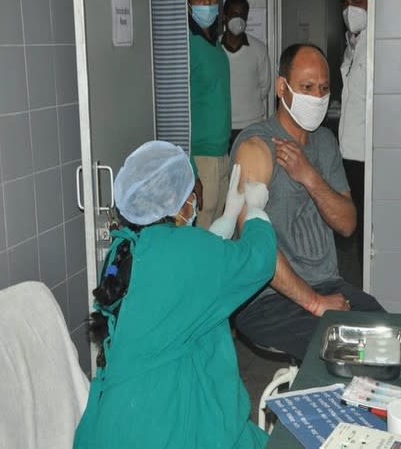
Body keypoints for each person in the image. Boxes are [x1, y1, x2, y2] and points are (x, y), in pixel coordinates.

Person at [73, 141, 277, 449]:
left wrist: (227, 215)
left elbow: (186, 270)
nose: (197, 200)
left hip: (114, 424)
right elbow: (257, 260)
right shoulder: (185, 252)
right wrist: (256, 211)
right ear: (177, 200)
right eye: (193, 193)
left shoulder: (124, 249)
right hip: (166, 424)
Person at [231, 43, 384, 361]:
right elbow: (257, 250)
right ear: (281, 88)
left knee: (387, 338)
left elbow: (347, 224)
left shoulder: (325, 143)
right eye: (306, 87)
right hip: (265, 298)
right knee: (355, 353)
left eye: (323, 89)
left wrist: (309, 176)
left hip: (328, 284)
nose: (316, 97)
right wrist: (315, 302)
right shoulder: (255, 147)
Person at [188, 0, 231, 229]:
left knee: (218, 231)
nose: (207, 3)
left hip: (221, 154)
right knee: (202, 233)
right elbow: (176, 111)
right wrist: (190, 170)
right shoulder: (186, 45)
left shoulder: (214, 44)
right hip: (201, 156)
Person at [339, 0, 368, 276]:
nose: (350, 7)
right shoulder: (352, 44)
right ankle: (362, 275)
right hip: (349, 153)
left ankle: (367, 278)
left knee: (365, 223)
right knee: (356, 221)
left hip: (366, 153)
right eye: (345, 1)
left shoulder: (376, 43)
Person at [221, 0, 271, 149]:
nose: (239, 19)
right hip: (222, 128)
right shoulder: (215, 49)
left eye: (243, 15)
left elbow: (265, 87)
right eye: (234, 14)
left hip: (252, 127)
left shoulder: (259, 49)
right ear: (225, 16)